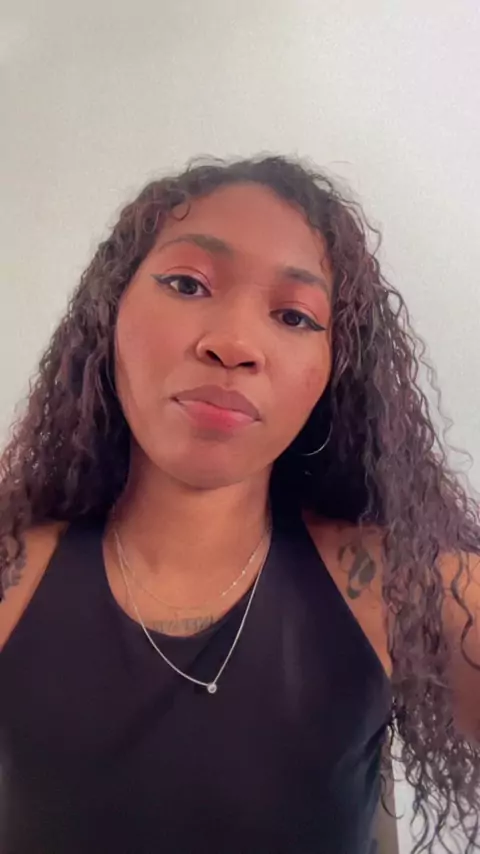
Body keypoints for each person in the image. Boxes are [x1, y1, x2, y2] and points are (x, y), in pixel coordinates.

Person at [0, 156, 479, 854]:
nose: (233, 344)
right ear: (109, 313)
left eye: (294, 315)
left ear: (334, 371)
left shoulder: (400, 587)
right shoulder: (13, 573)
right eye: (187, 283)